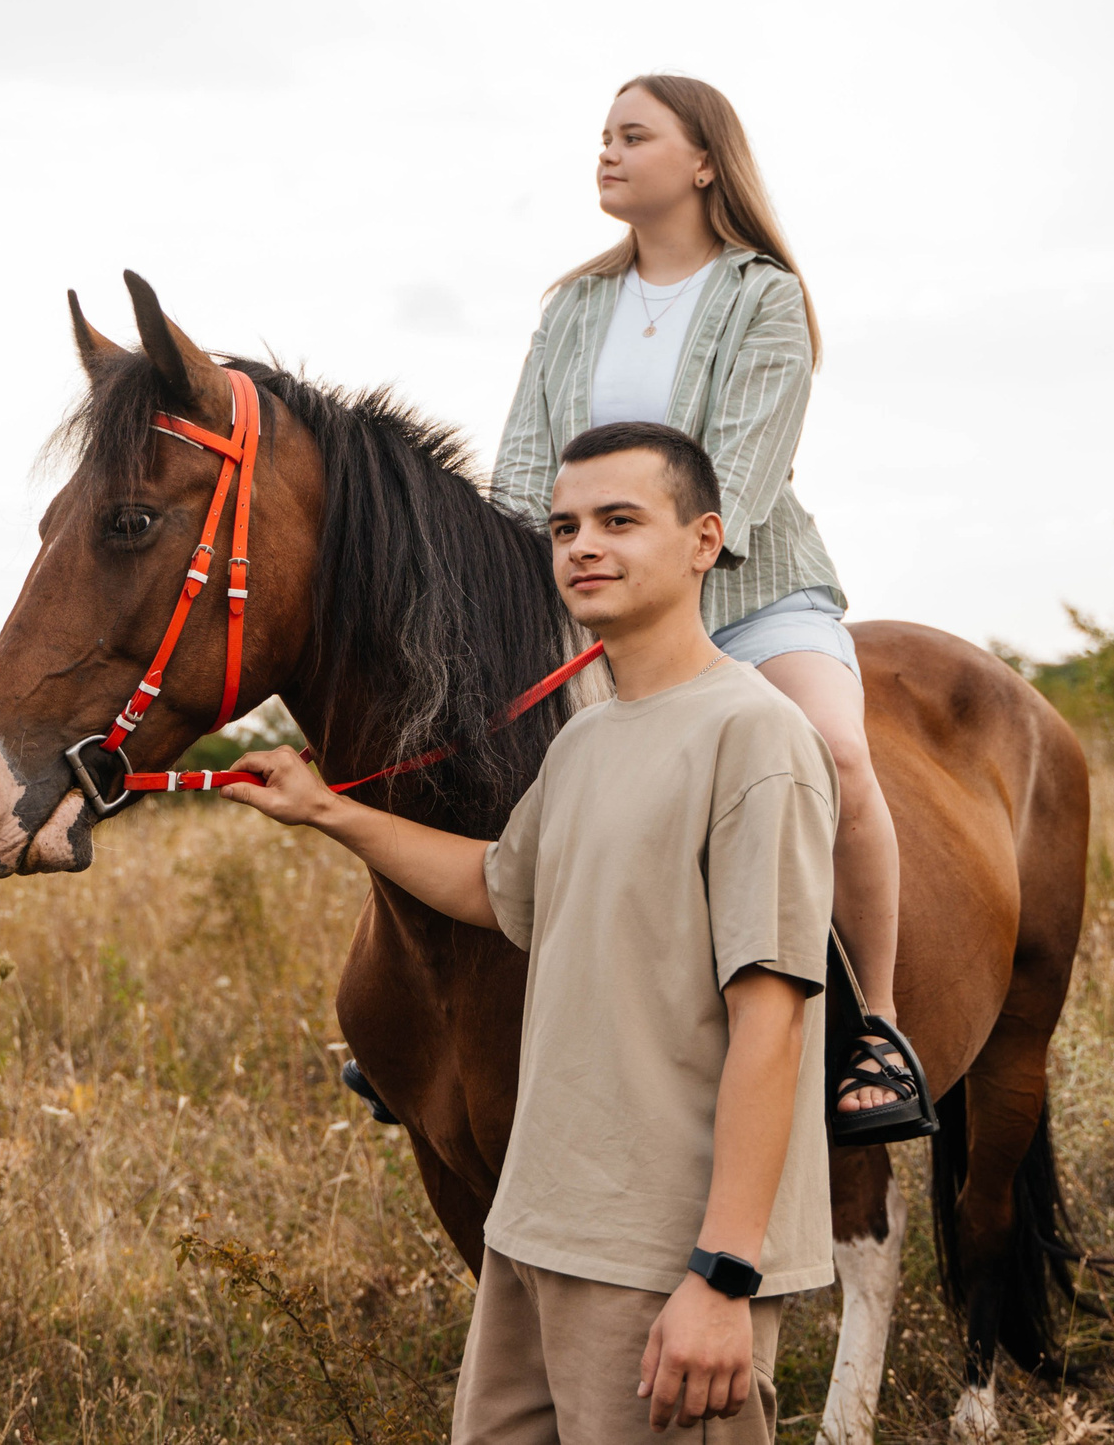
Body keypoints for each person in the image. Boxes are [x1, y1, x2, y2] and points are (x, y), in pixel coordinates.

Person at [224, 423, 836, 1442]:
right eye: (564, 527)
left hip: (657, 1252)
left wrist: (724, 1275)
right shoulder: (587, 738)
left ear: (704, 540)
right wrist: (326, 808)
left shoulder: (755, 734)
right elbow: (496, 887)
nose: (583, 545)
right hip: (537, 1228)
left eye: (619, 520)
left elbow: (770, 1022)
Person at [489, 73, 932, 1144]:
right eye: (602, 135)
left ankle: (876, 1026)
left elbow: (743, 475)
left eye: (632, 135)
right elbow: (522, 470)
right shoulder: (573, 308)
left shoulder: (761, 296)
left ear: (701, 161)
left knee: (835, 749)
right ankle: (448, 1022)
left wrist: (652, 595)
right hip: (596, 606)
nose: (606, 151)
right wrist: (526, 588)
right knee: (486, 750)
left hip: (753, 589)